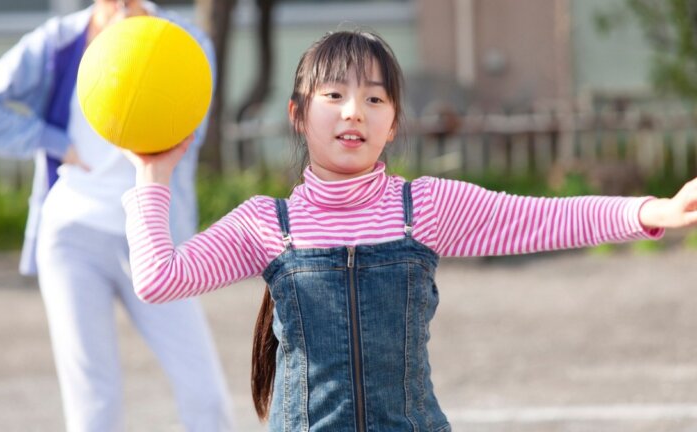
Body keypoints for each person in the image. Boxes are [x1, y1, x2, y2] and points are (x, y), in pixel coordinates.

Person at [121, 30, 697, 431]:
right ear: (298, 114)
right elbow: (158, 279)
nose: (354, 112)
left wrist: (654, 212)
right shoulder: (265, 223)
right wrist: (153, 174)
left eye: (374, 98)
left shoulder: (422, 208)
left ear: (393, 122)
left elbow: (542, 216)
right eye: (335, 95)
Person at [0, 1, 233, 431]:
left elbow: (194, 130)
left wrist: (139, 58)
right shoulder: (57, 42)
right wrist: (53, 140)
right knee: (93, 402)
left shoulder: (185, 41)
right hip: (72, 235)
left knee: (206, 394)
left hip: (155, 240)